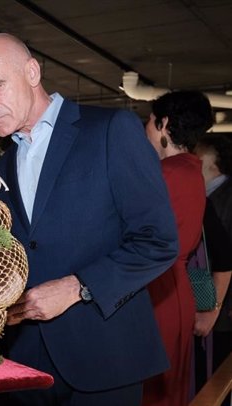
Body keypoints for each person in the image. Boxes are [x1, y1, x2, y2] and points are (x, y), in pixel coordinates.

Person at [0, 33, 178, 405]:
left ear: (32, 72)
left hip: (106, 356)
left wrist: (78, 287)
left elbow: (157, 240)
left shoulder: (111, 130)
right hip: (27, 361)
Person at [140, 90, 208, 406]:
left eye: (150, 122)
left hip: (156, 290)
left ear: (164, 124)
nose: (146, 130)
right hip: (177, 289)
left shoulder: (164, 174)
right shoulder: (192, 170)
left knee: (151, 388)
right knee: (171, 386)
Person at [194, 133, 232, 392]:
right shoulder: (206, 196)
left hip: (222, 311)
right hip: (214, 307)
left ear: (212, 161)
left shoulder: (223, 198)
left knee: (216, 382)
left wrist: (217, 306)